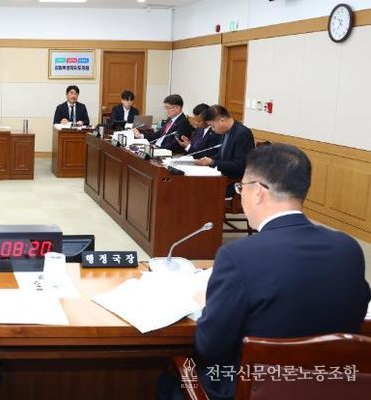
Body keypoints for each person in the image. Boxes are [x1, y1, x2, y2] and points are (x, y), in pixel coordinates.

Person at [157, 144, 371, 400]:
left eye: (241, 187)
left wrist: (208, 305)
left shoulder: (238, 255)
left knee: (169, 380)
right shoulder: (347, 248)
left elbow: (210, 348)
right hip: (331, 385)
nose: (241, 194)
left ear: (257, 191)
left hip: (251, 386)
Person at [194, 105, 255, 196]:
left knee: (200, 191)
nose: (213, 130)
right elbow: (222, 156)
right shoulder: (225, 132)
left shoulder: (242, 133)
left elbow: (240, 165)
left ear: (222, 120)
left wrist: (212, 162)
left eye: (213, 126)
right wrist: (206, 160)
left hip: (235, 181)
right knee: (195, 185)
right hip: (223, 177)